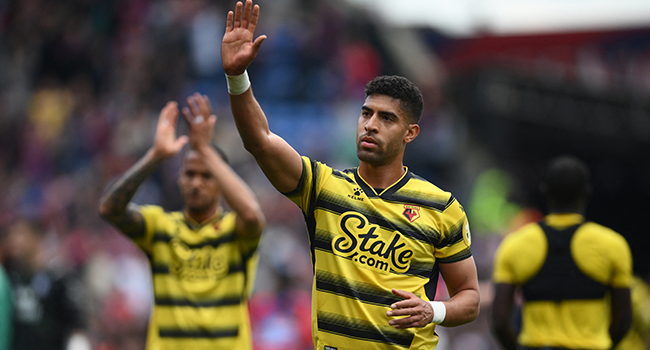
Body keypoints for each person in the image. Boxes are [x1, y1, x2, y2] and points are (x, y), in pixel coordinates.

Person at [220, 1, 481, 349]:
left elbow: (470, 298)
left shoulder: (441, 207)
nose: (370, 125)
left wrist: (432, 310)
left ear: (411, 133)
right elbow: (261, 142)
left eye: (386, 118)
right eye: (366, 113)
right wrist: (237, 77)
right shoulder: (323, 186)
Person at [98, 93, 266, 350]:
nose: (196, 183)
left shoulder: (235, 231)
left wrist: (205, 149)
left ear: (221, 182)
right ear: (179, 178)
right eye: (189, 174)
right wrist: (154, 156)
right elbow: (109, 209)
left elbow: (253, 215)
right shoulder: (160, 227)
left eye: (207, 176)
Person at [491, 155, 633, 350]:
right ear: (587, 193)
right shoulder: (613, 245)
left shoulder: (515, 244)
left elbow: (499, 321)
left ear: (544, 192)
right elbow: (623, 319)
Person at [4, 217, 85, 350]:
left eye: (20, 234)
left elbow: (77, 327)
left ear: (37, 237)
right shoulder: (10, 278)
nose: (14, 240)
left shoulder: (60, 280)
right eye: (12, 235)